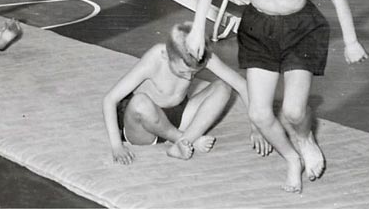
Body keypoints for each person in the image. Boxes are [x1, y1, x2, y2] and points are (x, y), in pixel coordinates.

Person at [185, 0, 368, 194]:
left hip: (301, 29)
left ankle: (305, 139)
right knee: (258, 112)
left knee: (294, 113)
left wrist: (350, 41)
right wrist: (196, 29)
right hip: (259, 28)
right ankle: (291, 158)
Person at [103, 22, 272, 164]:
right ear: (167, 56)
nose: (190, 77)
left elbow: (241, 84)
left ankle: (182, 142)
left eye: (193, 73)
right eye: (184, 72)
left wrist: (257, 127)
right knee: (139, 102)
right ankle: (183, 139)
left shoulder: (199, 53)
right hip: (144, 129)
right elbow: (110, 100)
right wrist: (116, 145)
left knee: (223, 86)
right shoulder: (155, 57)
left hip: (179, 116)